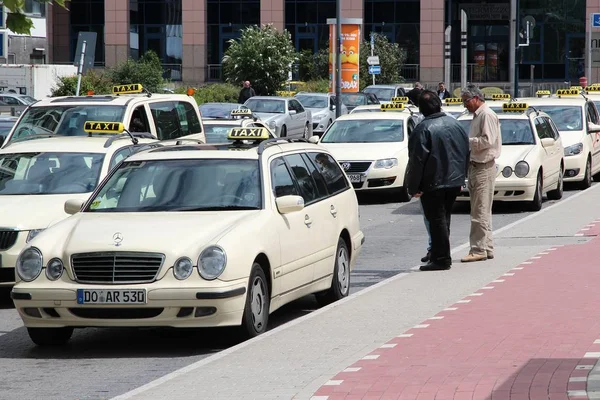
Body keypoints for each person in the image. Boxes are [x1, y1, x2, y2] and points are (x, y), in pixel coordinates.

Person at [405, 90, 470, 271]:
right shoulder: (455, 124)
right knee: (443, 219)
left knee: (437, 220)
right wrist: (461, 177)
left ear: (421, 109)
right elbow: (466, 152)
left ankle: (441, 259)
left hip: (434, 183)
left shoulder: (423, 129)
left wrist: (413, 187)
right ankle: (438, 253)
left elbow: (417, 162)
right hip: (453, 181)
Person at [460, 84, 502, 263]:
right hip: (477, 166)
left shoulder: (486, 115)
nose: (465, 105)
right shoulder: (478, 115)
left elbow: (487, 140)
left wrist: (466, 141)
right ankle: (487, 247)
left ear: (476, 98)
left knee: (479, 211)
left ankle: (478, 249)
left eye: (466, 101)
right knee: (483, 210)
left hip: (483, 166)